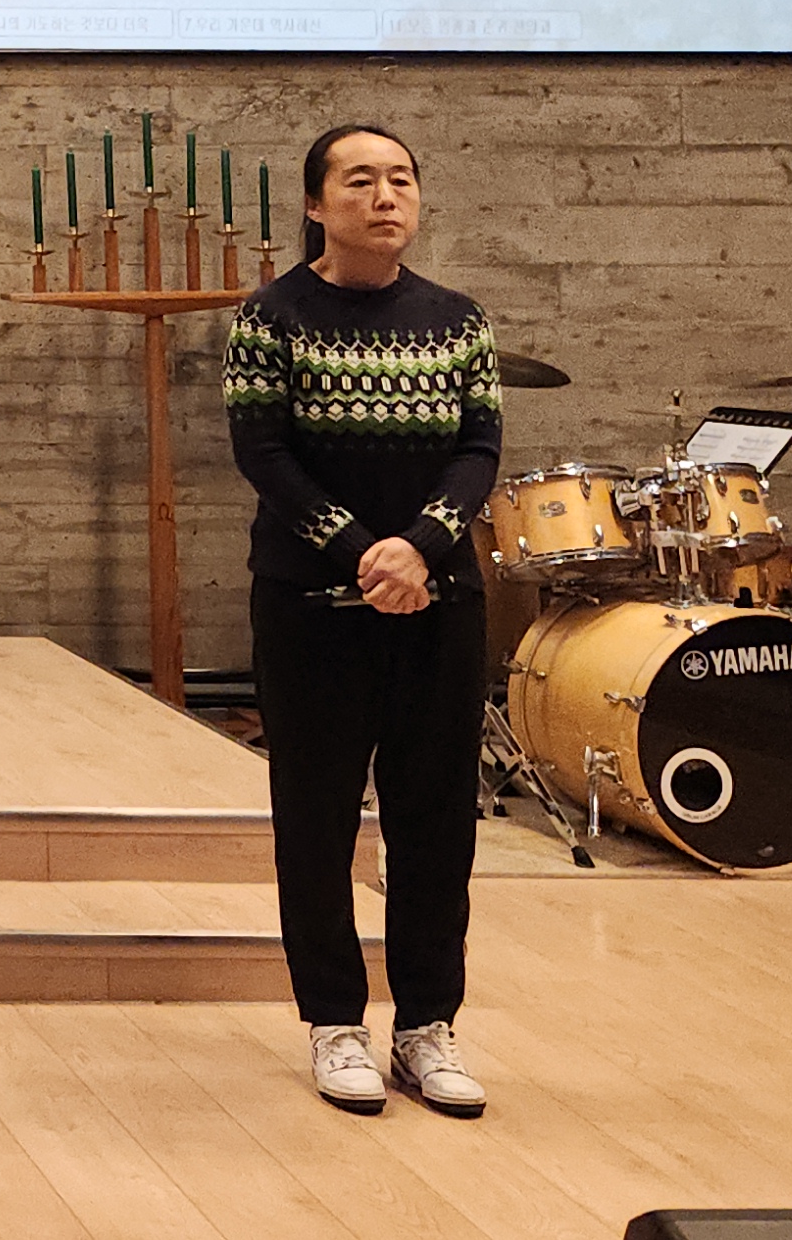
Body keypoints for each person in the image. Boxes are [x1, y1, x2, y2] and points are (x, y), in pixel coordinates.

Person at [223, 122, 501, 1119]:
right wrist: (362, 552)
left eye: (401, 179)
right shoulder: (269, 317)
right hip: (310, 604)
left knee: (436, 821)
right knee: (316, 816)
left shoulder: (458, 319)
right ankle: (334, 1020)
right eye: (359, 180)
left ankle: (426, 1025)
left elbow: (478, 449)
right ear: (315, 203)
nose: (385, 196)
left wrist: (420, 546)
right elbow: (264, 453)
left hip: (439, 601)